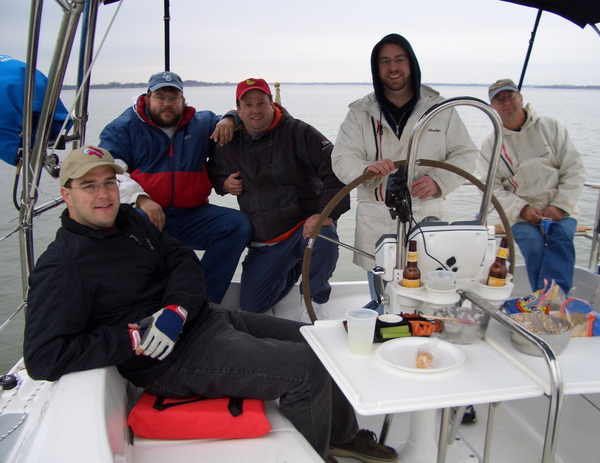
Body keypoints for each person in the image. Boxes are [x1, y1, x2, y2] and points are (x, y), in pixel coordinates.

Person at [23, 145, 398, 463]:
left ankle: (342, 434)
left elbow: (183, 259)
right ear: (67, 194)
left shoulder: (128, 222)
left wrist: (176, 309)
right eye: (89, 186)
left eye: (108, 183)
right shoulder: (62, 265)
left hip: (202, 319)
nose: (104, 194)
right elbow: (43, 357)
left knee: (320, 342)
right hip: (169, 360)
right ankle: (318, 456)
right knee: (306, 371)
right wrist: (133, 339)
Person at [331, 34, 478, 298]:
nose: (393, 67)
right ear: (377, 69)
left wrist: (439, 181)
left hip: (428, 214)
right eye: (385, 61)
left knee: (430, 296)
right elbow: (342, 159)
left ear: (411, 64)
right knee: (383, 299)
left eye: (399, 60)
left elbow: (466, 154)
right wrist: (366, 171)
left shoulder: (439, 108)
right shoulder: (359, 113)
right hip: (377, 218)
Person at [99, 71, 251, 304]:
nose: (167, 104)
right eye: (160, 97)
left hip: (192, 215)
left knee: (237, 225)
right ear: (147, 97)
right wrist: (141, 199)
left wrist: (230, 118)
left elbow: (237, 119)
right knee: (129, 227)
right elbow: (109, 172)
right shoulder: (123, 127)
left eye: (174, 97)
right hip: (146, 216)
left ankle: (203, 300)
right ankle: (142, 301)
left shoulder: (201, 123)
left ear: (183, 100)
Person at [208, 78, 350, 320]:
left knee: (324, 237)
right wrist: (223, 183)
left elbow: (336, 167)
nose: (255, 110)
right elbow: (213, 171)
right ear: (238, 110)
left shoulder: (298, 131)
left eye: (261, 103)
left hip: (302, 229)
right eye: (248, 105)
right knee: (252, 306)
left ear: (271, 104)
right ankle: (295, 267)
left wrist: (325, 213)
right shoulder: (229, 140)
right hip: (265, 240)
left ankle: (313, 301)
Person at [479, 78, 585, 295]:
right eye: (499, 100)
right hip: (518, 215)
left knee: (561, 238)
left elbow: (574, 170)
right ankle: (549, 300)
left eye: (510, 96)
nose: (507, 103)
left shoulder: (551, 127)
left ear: (521, 98)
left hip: (561, 210)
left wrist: (559, 205)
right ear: (493, 107)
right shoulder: (491, 144)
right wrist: (522, 209)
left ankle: (550, 299)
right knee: (534, 246)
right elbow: (490, 189)